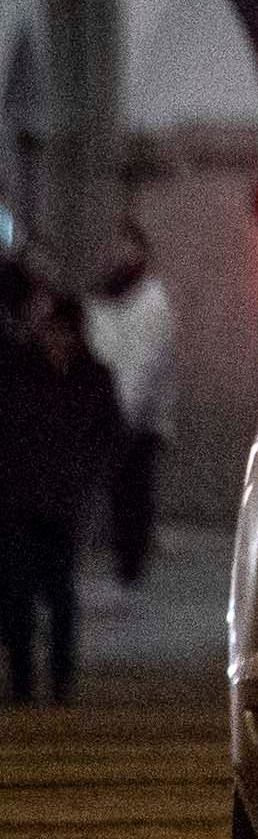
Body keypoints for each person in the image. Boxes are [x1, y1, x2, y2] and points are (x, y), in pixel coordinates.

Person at [0, 288, 123, 706]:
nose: (56, 338)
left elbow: (109, 436)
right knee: (18, 595)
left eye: (63, 330)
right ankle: (20, 682)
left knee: (60, 595)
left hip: (63, 503)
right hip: (18, 501)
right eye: (50, 330)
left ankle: (61, 680)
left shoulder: (93, 377)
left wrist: (88, 478)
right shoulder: (18, 372)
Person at [83, 223, 179, 589]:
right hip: (108, 412)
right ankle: (122, 560)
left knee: (133, 491)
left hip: (139, 421)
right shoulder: (104, 299)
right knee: (116, 491)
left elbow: (145, 363)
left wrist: (124, 411)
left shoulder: (151, 302)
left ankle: (131, 566)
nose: (117, 258)